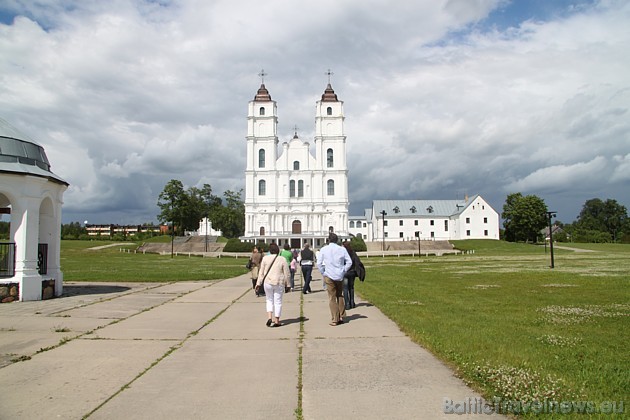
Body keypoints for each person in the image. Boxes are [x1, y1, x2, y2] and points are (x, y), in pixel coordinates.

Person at [317, 233, 352, 326]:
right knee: (339, 295)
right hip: (339, 275)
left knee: (332, 297)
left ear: (328, 240)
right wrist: (343, 270)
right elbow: (349, 262)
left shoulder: (324, 249)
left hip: (329, 275)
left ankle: (335, 319)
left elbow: (319, 263)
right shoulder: (342, 249)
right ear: (337, 240)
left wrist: (323, 272)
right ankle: (341, 315)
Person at [256, 243, 291, 327]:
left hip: (267, 282)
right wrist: (288, 284)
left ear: (270, 250)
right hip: (279, 282)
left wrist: (258, 283)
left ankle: (269, 317)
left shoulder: (265, 258)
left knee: (269, 300)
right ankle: (277, 320)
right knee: (278, 301)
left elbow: (261, 272)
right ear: (278, 250)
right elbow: (287, 273)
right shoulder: (282, 259)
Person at [342, 241, 360, 310]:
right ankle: (352, 302)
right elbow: (357, 261)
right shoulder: (353, 252)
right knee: (351, 287)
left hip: (346, 273)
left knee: (345, 288)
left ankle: (347, 304)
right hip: (352, 272)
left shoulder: (343, 253)